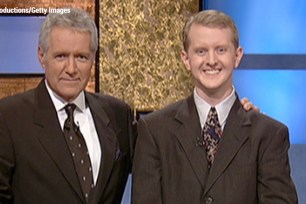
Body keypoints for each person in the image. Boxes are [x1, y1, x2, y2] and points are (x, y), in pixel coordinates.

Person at [132, 10, 298, 203]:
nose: (211, 61)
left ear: (237, 56)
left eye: (221, 50)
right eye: (201, 51)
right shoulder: (154, 131)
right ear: (186, 59)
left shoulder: (268, 135)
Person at [0, 8, 135, 204]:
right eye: (61, 56)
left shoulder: (117, 114)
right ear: (41, 56)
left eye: (81, 57)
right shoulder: (9, 117)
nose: (71, 69)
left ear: (93, 58)